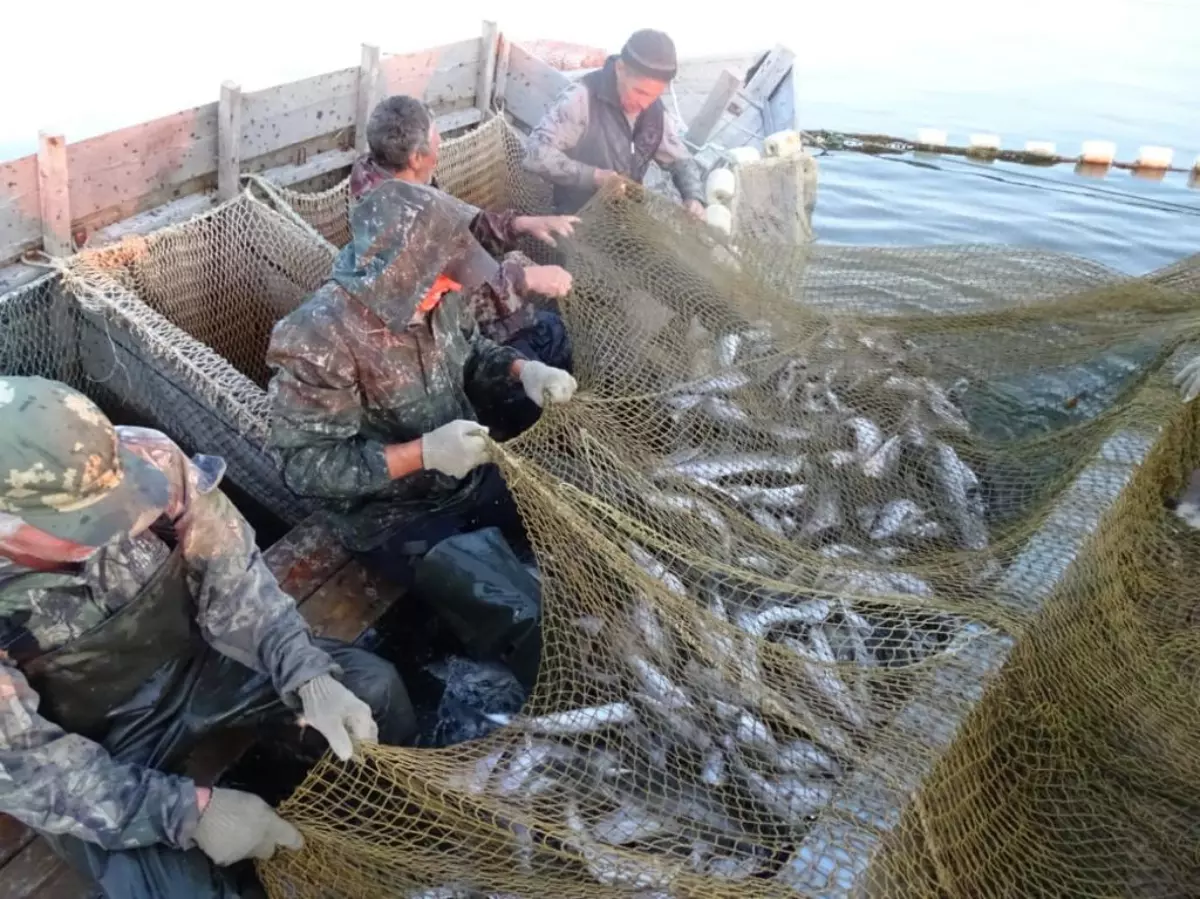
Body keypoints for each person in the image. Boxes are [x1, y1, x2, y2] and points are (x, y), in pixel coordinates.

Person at [0, 377, 417, 899]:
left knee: (371, 689)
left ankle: (388, 836)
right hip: (95, 745)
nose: (120, 525)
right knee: (170, 891)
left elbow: (233, 574)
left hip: (202, 663)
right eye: (86, 523)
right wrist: (189, 812)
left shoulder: (142, 461)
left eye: (117, 501)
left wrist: (305, 673)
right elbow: (26, 767)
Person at [264, 168, 578, 584]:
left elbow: (473, 352)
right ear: (399, 276)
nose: (451, 290)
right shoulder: (317, 337)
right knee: (513, 608)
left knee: (566, 528)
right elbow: (304, 467)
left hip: (466, 476)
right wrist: (423, 453)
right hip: (396, 517)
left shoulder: (443, 299)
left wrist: (526, 371)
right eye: (441, 282)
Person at [351, 94, 577, 375]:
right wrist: (527, 278)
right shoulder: (397, 220)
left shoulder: (387, 176)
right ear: (416, 158)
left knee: (552, 330)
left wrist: (521, 224)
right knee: (544, 357)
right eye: (435, 136)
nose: (441, 142)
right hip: (446, 340)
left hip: (476, 309)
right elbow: (441, 300)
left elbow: (461, 225)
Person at [523, 28, 705, 219]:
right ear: (620, 69)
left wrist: (693, 196)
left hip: (622, 217)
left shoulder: (655, 111)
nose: (645, 104)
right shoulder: (581, 99)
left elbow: (680, 160)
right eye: (640, 92)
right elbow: (535, 154)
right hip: (571, 215)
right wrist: (593, 176)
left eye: (654, 96)